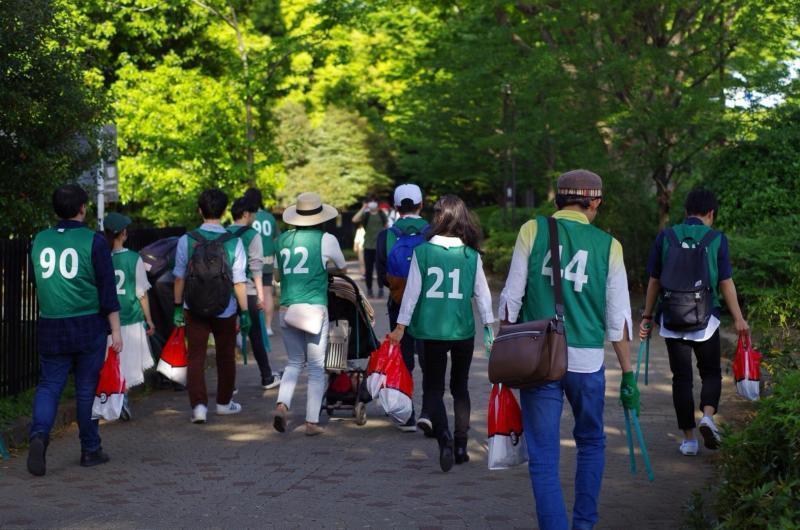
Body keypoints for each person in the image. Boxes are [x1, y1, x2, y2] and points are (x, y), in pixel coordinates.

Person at [498, 170, 635, 529]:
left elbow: (511, 299)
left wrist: (503, 348)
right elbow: (617, 318)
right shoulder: (610, 246)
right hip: (587, 363)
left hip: (538, 359)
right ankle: (584, 524)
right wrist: (629, 374)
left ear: (558, 200)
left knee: (544, 457)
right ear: (594, 202)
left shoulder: (532, 230)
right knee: (591, 442)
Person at [388, 195, 494, 472]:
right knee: (460, 387)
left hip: (429, 329)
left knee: (433, 388)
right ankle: (461, 444)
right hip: (462, 330)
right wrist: (489, 327)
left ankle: (444, 438)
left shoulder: (423, 252)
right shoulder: (471, 255)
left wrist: (400, 327)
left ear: (438, 219)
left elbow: (411, 295)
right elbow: (482, 295)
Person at [640, 188, 748, 455]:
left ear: (686, 211)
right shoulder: (716, 239)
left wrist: (647, 316)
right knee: (710, 373)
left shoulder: (667, 236)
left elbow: (654, 280)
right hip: (706, 320)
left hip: (672, 317)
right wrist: (739, 318)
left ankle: (688, 440)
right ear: (711, 213)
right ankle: (708, 417)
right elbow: (725, 282)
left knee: (681, 379)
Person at [27, 184, 122, 476]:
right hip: (88, 324)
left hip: (51, 323)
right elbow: (108, 291)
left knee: (48, 385)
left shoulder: (39, 240)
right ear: (83, 208)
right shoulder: (94, 241)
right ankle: (90, 449)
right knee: (85, 389)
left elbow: (35, 281)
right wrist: (115, 331)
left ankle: (39, 436)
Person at [172, 189, 250, 424]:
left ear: (199, 210)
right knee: (225, 356)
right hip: (225, 307)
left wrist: (177, 307)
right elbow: (239, 282)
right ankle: (224, 404)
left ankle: (198, 408)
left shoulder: (187, 240)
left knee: (195, 356)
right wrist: (244, 312)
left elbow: (179, 278)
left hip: (193, 306)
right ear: (225, 211)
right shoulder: (233, 241)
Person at [272, 192, 347, 436]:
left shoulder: (282, 240)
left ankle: (282, 404)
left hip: (287, 309)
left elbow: (275, 276)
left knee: (294, 362)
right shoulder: (326, 239)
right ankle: (311, 423)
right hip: (314, 309)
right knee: (316, 366)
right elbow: (343, 268)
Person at [376, 183, 431, 434]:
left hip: (398, 303)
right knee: (431, 359)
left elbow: (381, 277)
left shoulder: (385, 235)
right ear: (422, 204)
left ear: (397, 208)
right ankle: (430, 412)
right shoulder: (434, 233)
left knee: (405, 358)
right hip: (429, 305)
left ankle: (406, 414)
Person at [104, 212, 156, 420]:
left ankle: (114, 398)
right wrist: (149, 319)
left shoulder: (102, 258)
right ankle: (123, 397)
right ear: (123, 233)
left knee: (112, 362)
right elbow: (141, 293)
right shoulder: (134, 258)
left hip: (108, 318)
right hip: (131, 317)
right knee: (127, 362)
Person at [227, 197, 281, 390]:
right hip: (248, 292)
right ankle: (267, 377)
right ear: (246, 214)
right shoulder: (252, 234)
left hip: (226, 293)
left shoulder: (224, 233)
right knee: (256, 336)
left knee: (226, 339)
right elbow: (256, 268)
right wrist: (260, 296)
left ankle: (229, 385)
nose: (255, 217)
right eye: (253, 214)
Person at [244, 188, 279, 336]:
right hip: (268, 260)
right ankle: (268, 326)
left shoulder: (247, 216)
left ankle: (251, 327)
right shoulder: (269, 217)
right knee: (267, 292)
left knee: (249, 294)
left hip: (251, 260)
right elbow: (276, 238)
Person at [352, 195, 388, 298]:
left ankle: (381, 289)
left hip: (379, 246)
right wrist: (363, 207)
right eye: (370, 201)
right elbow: (354, 219)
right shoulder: (366, 215)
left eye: (374, 201)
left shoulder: (382, 214)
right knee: (368, 270)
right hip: (368, 246)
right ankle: (369, 290)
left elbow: (386, 227)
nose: (373, 203)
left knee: (380, 270)